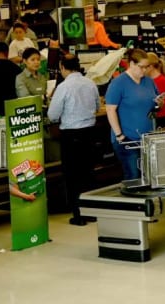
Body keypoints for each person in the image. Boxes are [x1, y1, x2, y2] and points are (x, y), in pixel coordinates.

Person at [48, 54, 100, 226]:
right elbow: (97, 106)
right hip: (90, 133)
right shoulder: (90, 83)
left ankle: (78, 215)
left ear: (62, 67)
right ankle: (92, 211)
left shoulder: (63, 87)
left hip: (71, 135)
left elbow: (53, 115)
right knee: (88, 172)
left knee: (73, 175)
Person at [105, 49, 163, 180]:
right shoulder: (118, 83)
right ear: (131, 64)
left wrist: (158, 104)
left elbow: (154, 106)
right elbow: (110, 110)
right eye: (141, 67)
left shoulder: (148, 81)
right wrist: (120, 135)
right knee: (133, 176)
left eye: (147, 67)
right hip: (128, 139)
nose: (144, 71)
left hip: (147, 138)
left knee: (149, 176)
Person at [146, 52, 165, 128]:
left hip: (161, 119)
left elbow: (162, 104)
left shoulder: (161, 81)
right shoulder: (148, 80)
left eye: (145, 67)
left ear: (150, 67)